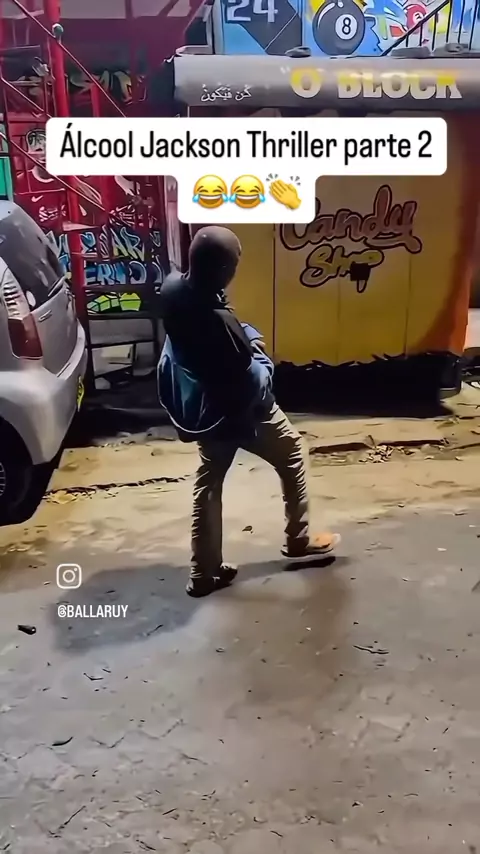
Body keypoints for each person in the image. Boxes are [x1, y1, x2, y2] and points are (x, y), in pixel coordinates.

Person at [158, 226, 340, 597]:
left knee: (209, 481)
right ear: (224, 269)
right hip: (239, 412)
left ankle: (203, 572)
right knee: (292, 452)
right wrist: (257, 347)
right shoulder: (221, 324)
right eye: (233, 265)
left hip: (205, 408)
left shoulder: (172, 288)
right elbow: (254, 382)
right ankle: (298, 539)